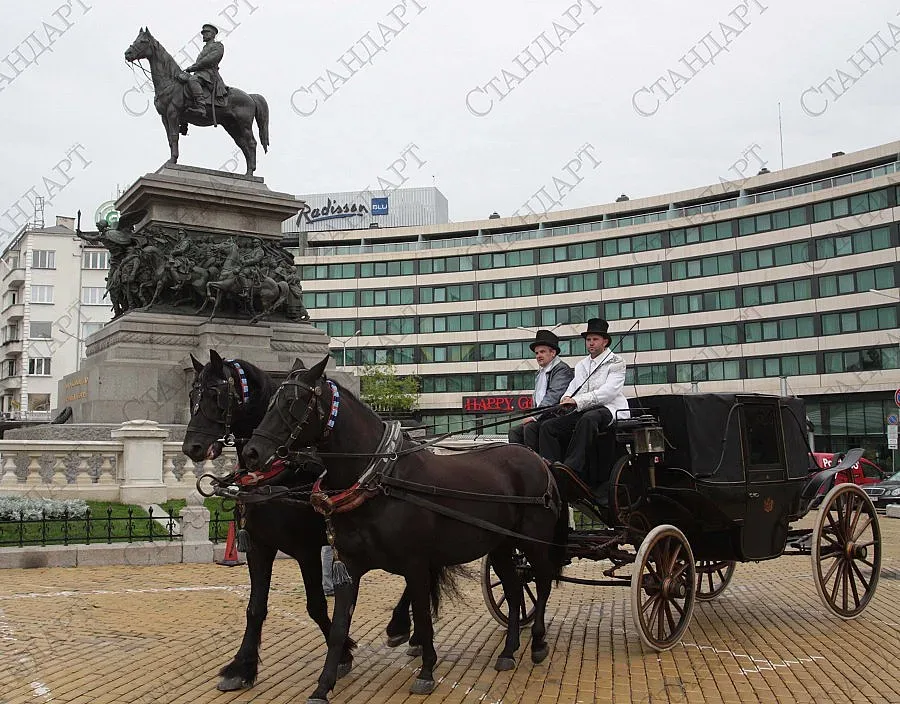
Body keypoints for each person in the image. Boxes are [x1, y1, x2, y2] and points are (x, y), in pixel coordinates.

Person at [538, 318, 629, 487]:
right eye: (588, 340)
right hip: (584, 408)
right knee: (548, 426)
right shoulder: (581, 365)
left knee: (588, 419)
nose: (591, 343)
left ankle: (572, 467)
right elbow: (573, 387)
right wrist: (565, 399)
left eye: (595, 339)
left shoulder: (617, 362)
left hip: (609, 408)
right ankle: (550, 466)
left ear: (605, 341)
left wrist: (576, 401)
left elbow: (608, 392)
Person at [507, 329, 574, 451]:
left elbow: (553, 396)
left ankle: (536, 465)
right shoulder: (540, 373)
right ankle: (520, 463)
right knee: (514, 432)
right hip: (543, 416)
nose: (538, 356)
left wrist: (534, 416)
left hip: (557, 417)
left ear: (553, 353)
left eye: (542, 352)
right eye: (537, 353)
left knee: (530, 427)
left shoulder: (561, 370)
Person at [180, 24, 227, 117]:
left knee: (193, 80)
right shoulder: (205, 48)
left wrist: (192, 67)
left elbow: (209, 60)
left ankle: (201, 107)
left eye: (206, 32)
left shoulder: (218, 46)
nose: (203, 35)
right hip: (200, 73)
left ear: (213, 34)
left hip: (209, 75)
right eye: (203, 33)